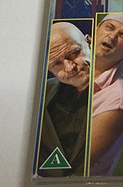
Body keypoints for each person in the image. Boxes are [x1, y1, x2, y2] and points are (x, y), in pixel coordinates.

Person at [37, 20, 92, 177]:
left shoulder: (118, 92)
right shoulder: (42, 93)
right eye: (57, 64)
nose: (70, 68)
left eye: (74, 53)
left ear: (89, 43)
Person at [89, 13, 123, 176]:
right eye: (109, 27)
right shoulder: (68, 59)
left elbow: (76, 161)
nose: (112, 36)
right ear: (96, 29)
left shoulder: (119, 99)